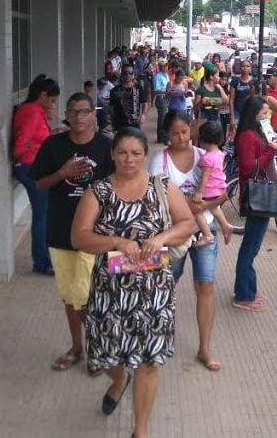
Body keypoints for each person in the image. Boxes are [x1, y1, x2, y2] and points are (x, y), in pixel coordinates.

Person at [71, 128, 197, 438]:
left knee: (149, 361)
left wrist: (161, 238)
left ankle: (140, 431)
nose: (129, 159)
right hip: (110, 290)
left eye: (136, 153)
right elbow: (79, 237)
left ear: (144, 156)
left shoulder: (161, 187)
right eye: (122, 152)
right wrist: (115, 240)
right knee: (102, 353)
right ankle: (118, 379)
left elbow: (187, 223)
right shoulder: (98, 192)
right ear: (112, 154)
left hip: (154, 290)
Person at [30, 92, 113, 375]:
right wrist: (62, 173)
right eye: (73, 112)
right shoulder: (53, 146)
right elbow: (40, 184)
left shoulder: (106, 147)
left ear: (93, 114)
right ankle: (78, 348)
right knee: (69, 295)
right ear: (67, 115)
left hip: (95, 234)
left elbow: (120, 187)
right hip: (61, 231)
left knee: (85, 294)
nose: (78, 117)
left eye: (83, 111)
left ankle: (97, 349)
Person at [148, 111, 227, 372]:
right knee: (166, 283)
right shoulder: (160, 160)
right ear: (166, 134)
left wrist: (202, 206)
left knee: (206, 286)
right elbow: (157, 200)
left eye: (185, 131)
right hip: (173, 236)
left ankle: (205, 347)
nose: (181, 138)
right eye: (174, 133)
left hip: (205, 230)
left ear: (192, 129)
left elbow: (221, 194)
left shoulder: (206, 155)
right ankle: (157, 337)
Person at [231, 96, 277, 312]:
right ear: (254, 115)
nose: (267, 116)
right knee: (250, 247)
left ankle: (247, 290)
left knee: (252, 246)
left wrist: (270, 145)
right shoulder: (247, 136)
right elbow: (249, 168)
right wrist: (270, 150)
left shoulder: (257, 133)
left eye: (268, 112)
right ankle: (243, 295)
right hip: (257, 195)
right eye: (264, 113)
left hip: (262, 194)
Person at [13, 74, 61, 275]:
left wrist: (50, 136)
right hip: (29, 168)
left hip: (33, 167)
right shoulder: (32, 112)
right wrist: (42, 145)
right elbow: (19, 147)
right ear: (43, 95)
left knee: (45, 214)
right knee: (42, 216)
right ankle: (42, 263)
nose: (52, 104)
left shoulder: (34, 111)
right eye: (51, 100)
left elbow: (35, 138)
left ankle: (43, 259)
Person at [191, 121, 234, 247]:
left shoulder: (206, 158)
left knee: (196, 211)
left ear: (202, 139)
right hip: (219, 189)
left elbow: (205, 178)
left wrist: (199, 193)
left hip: (209, 191)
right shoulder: (220, 154)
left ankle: (207, 234)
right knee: (215, 208)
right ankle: (225, 225)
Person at [109, 67, 147, 131]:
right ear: (121, 75)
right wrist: (112, 123)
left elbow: (144, 103)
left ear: (133, 75)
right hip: (120, 125)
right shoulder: (114, 91)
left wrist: (143, 115)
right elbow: (112, 109)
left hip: (135, 124)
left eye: (130, 73)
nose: (127, 76)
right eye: (125, 73)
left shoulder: (138, 88)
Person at [152, 59, 170, 143]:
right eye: (165, 66)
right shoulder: (157, 76)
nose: (166, 67)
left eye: (166, 66)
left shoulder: (166, 75)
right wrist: (166, 91)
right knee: (162, 119)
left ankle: (163, 137)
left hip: (166, 98)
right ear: (161, 67)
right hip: (161, 98)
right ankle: (161, 137)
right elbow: (156, 90)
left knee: (165, 118)